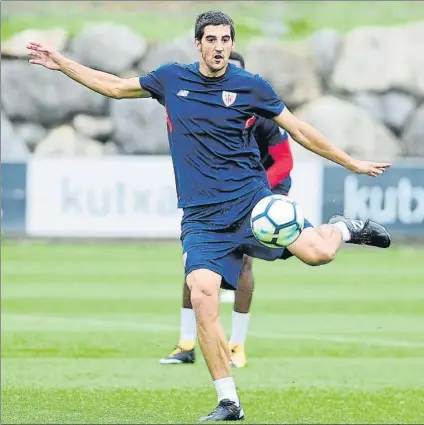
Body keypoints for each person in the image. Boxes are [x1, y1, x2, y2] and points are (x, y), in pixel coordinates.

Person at [27, 10, 392, 422]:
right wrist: (63, 64)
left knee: (319, 254)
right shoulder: (171, 79)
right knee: (202, 294)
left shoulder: (252, 86)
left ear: (232, 44)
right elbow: (112, 86)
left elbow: (300, 129)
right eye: (212, 39)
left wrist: (351, 163)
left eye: (226, 40)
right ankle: (229, 401)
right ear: (197, 43)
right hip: (202, 219)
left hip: (253, 203)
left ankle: (343, 227)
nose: (219, 47)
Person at [159, 51, 294, 369]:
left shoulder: (261, 113)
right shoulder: (203, 110)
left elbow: (285, 161)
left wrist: (255, 189)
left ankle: (237, 346)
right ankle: (185, 344)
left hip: (262, 190)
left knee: (245, 262)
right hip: (220, 195)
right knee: (195, 266)